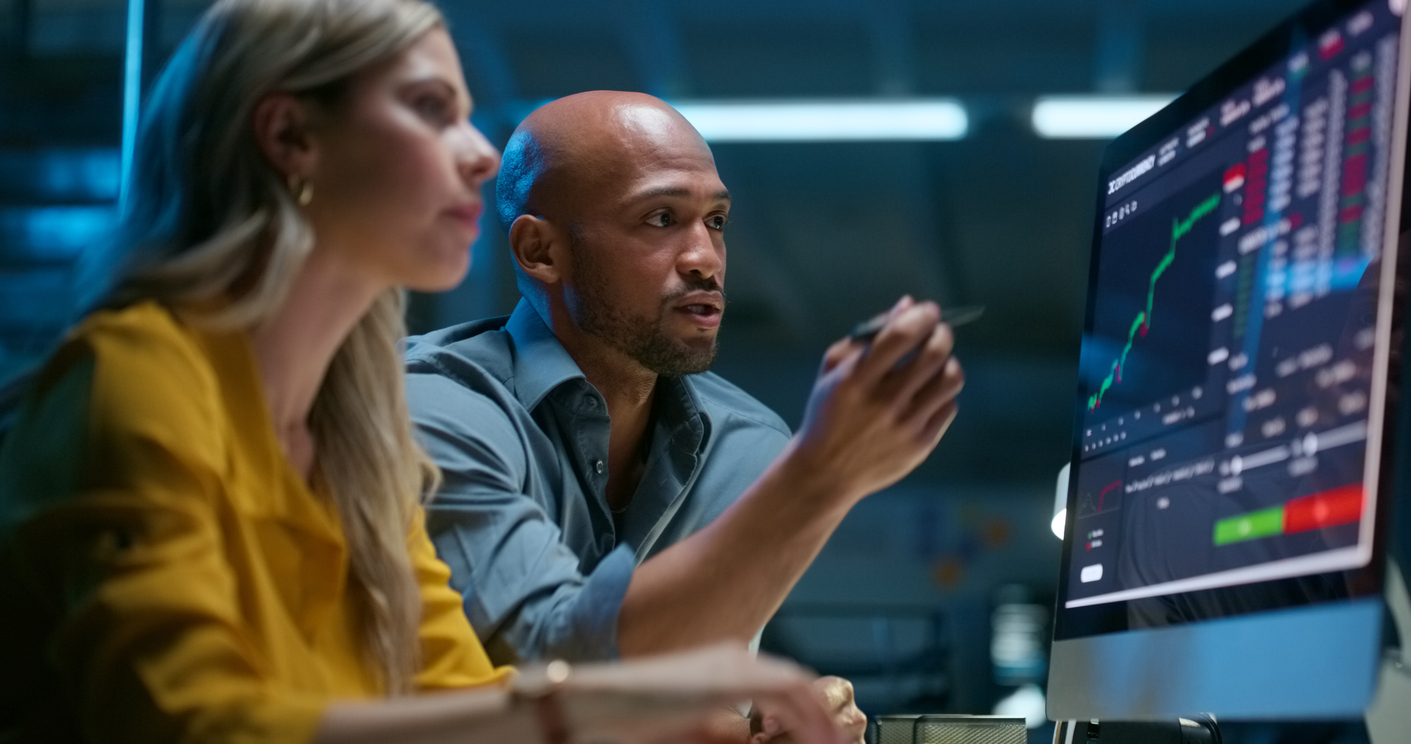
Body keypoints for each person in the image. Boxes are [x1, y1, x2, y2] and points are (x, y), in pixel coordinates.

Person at [0, 2, 849, 743]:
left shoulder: (358, 424)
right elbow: (191, 725)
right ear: (292, 137)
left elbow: (461, 699)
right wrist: (598, 708)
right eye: (430, 109)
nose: (481, 155)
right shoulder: (137, 377)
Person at [405, 90, 965, 743]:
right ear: (540, 251)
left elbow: (701, 688)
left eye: (716, 221)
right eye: (660, 217)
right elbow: (555, 669)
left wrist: (771, 713)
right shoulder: (430, 409)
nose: (704, 257)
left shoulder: (752, 447)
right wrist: (820, 480)